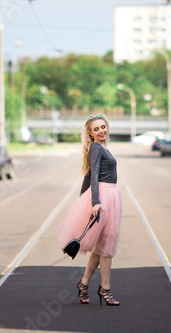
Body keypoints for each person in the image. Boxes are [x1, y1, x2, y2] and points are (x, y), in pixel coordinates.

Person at [59, 114, 122, 306]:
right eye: (96, 129)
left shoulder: (102, 147)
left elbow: (87, 175)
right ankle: (105, 289)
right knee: (108, 247)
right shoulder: (96, 148)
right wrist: (94, 202)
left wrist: (82, 198)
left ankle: (84, 284)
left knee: (103, 246)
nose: (101, 131)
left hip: (110, 196)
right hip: (103, 197)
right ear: (90, 133)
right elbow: (94, 177)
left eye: (103, 127)